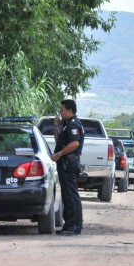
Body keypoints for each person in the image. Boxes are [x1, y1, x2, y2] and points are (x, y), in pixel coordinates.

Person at [51, 99, 84, 236]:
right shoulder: (66, 125)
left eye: (62, 110)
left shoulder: (73, 124)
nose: (61, 113)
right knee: (66, 195)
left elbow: (75, 143)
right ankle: (69, 224)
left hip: (69, 164)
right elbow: (59, 141)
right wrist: (56, 126)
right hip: (64, 164)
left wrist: (59, 154)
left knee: (71, 195)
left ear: (70, 111)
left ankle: (75, 226)